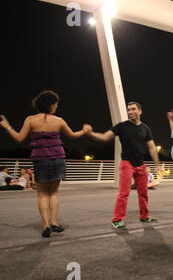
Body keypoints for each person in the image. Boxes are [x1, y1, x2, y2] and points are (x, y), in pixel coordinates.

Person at [0, 90, 88, 237]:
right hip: (58, 158)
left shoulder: (30, 119)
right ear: (51, 105)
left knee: (42, 194)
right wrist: (85, 130)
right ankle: (54, 222)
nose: (57, 106)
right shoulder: (59, 120)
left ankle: (46, 225)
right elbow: (73, 135)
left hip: (40, 159)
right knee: (53, 192)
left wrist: (7, 126)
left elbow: (19, 138)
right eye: (56, 103)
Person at [85, 102, 163, 229]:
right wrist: (90, 133)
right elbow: (104, 137)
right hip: (127, 163)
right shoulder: (121, 126)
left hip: (141, 165)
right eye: (128, 110)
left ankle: (145, 216)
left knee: (143, 193)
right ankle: (117, 220)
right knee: (123, 193)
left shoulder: (146, 129)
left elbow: (152, 147)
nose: (130, 112)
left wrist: (157, 165)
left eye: (133, 109)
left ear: (140, 111)